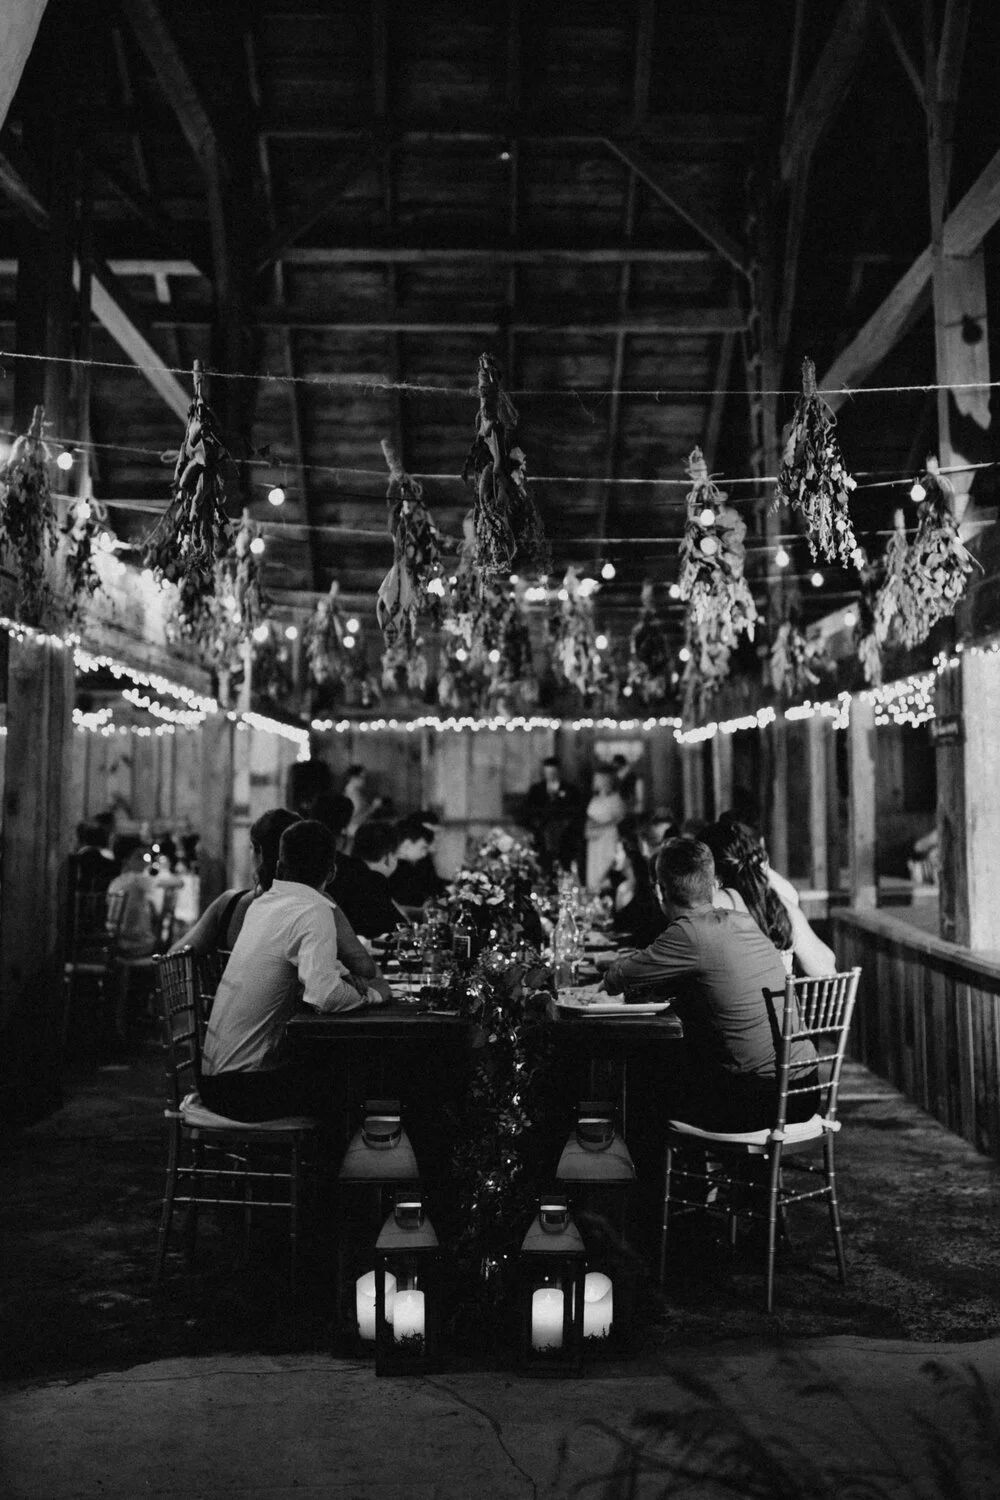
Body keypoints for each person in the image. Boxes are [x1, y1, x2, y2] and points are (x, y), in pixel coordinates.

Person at [603, 839, 818, 1133]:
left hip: (762, 1100)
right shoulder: (742, 922)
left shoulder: (688, 931)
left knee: (645, 1082)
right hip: (806, 1089)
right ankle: (711, 1176)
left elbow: (616, 979)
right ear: (713, 886)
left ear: (659, 890)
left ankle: (658, 1177)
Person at [199, 821, 385, 1123]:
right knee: (359, 1078)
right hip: (243, 1090)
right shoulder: (314, 910)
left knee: (336, 1068)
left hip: (213, 1079)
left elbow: (307, 975)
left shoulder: (264, 904)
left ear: (279, 865)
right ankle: (336, 1168)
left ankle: (315, 1164)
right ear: (332, 872)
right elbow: (325, 996)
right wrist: (374, 996)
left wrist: (338, 979)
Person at [178, 807, 384, 993]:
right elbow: (365, 968)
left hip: (223, 1019)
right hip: (292, 1023)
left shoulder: (228, 904)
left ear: (257, 851)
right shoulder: (316, 904)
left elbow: (175, 959)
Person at [706, 815, 836, 978]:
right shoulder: (779, 903)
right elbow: (826, 968)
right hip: (783, 1001)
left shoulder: (714, 904)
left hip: (738, 1001)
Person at [329, 820, 410, 939]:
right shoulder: (374, 881)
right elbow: (401, 929)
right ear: (388, 857)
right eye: (396, 856)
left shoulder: (340, 870)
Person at [606, 821, 665, 949]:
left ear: (629, 855)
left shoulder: (649, 888)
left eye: (618, 852)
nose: (614, 857)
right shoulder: (622, 887)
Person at [523, 756, 583, 875]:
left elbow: (576, 812)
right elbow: (527, 811)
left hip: (564, 838)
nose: (550, 775)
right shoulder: (536, 790)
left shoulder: (570, 790)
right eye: (548, 772)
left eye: (553, 772)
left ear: (559, 772)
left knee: (564, 867)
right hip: (542, 837)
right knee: (544, 867)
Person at [105, 840, 158, 959]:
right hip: (133, 943)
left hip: (113, 939)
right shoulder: (137, 879)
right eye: (139, 857)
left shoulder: (116, 881)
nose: (144, 862)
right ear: (127, 860)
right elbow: (174, 882)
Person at [389, 813, 446, 911]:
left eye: (438, 833)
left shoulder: (415, 862)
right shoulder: (397, 866)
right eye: (433, 832)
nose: (435, 838)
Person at [584, 766, 626, 892]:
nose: (595, 782)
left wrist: (599, 826)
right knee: (594, 874)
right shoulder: (595, 799)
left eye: (598, 779)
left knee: (605, 873)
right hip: (594, 843)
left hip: (608, 840)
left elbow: (618, 821)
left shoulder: (616, 800)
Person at [69, 820, 118, 895]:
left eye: (72, 838)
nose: (70, 841)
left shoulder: (71, 863)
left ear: (79, 839)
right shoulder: (112, 864)